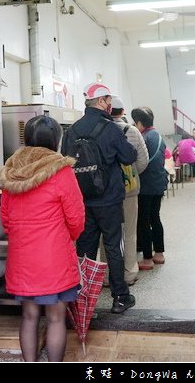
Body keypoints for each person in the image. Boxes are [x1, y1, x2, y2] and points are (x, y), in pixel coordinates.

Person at [0, 115, 85, 362]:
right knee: (56, 317)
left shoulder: (10, 173)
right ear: (56, 140)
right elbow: (76, 218)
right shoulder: (62, 172)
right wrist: (68, 238)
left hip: (22, 257)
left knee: (28, 316)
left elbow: (6, 219)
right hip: (54, 257)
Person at [61, 83, 137, 314]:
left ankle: (82, 301)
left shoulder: (71, 130)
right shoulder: (111, 128)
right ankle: (120, 297)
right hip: (110, 199)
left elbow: (65, 162)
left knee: (85, 250)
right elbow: (128, 157)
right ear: (103, 101)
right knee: (114, 246)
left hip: (83, 200)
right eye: (108, 99)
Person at [99, 97, 149, 286]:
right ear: (122, 112)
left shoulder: (101, 129)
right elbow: (143, 161)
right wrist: (129, 174)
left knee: (106, 233)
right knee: (129, 232)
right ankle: (129, 273)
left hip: (104, 190)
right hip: (128, 190)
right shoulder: (133, 131)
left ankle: (105, 275)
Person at [131, 107, 169, 270]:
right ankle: (159, 253)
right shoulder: (159, 136)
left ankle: (147, 258)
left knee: (143, 221)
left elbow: (138, 161)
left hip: (145, 186)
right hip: (159, 184)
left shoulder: (144, 137)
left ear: (140, 123)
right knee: (155, 217)